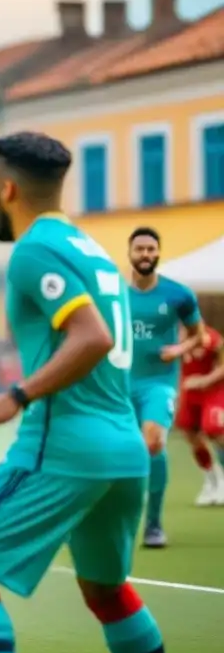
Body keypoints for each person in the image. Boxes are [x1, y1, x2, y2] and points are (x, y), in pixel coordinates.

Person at [0, 131, 192, 653]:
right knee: (106, 590)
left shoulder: (33, 250)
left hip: (63, 445)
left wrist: (13, 397)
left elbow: (92, 337)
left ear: (7, 189)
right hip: (124, 449)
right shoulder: (96, 252)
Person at [127, 227, 205, 547]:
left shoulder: (178, 295)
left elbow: (198, 335)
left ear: (158, 253)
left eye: (151, 249)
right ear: (130, 253)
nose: (146, 255)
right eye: (140, 249)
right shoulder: (115, 294)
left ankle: (154, 525)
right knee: (121, 452)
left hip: (158, 384)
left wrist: (178, 350)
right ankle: (118, 518)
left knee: (154, 441)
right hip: (119, 385)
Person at [177, 325, 224, 505]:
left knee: (214, 430)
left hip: (212, 390)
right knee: (190, 434)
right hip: (190, 391)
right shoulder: (174, 337)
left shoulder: (212, 339)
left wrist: (204, 380)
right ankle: (212, 479)